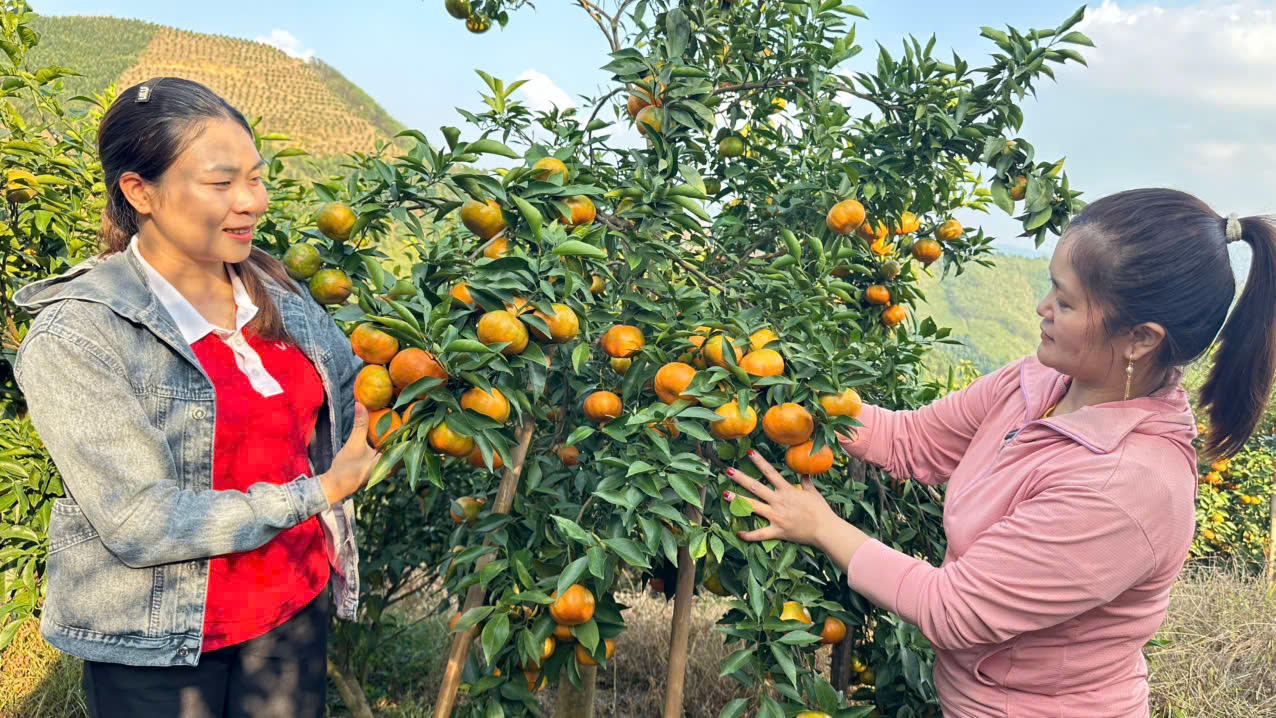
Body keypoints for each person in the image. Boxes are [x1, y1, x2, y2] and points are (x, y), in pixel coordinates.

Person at [724, 189, 1276, 717]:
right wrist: (794, 397)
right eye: (1049, 288)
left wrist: (821, 526)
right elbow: (913, 440)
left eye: (1065, 301)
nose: (1042, 308)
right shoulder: (1039, 379)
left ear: (1141, 339)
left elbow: (954, 610)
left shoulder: (1129, 487)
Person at [13, 77, 380, 717]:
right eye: (221, 184)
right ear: (140, 191)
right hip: (158, 639)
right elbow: (140, 522)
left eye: (257, 179)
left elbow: (354, 396)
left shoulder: (277, 293)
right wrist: (320, 492)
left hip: (291, 609)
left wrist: (449, 367)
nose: (251, 203)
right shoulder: (81, 332)